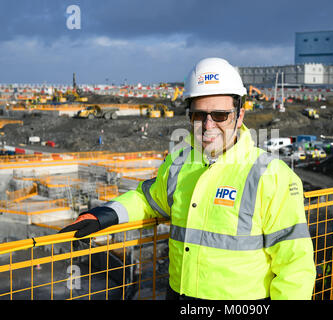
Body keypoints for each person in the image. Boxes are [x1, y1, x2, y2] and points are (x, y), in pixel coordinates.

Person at [59, 57, 316, 300]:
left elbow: (295, 268)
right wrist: (107, 214)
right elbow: (148, 199)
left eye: (219, 115)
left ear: (239, 116)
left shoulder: (271, 175)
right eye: (198, 115)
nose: (207, 125)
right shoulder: (180, 162)